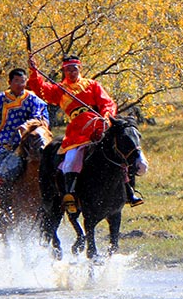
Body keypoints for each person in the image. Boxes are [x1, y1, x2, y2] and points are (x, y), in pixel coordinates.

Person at [26, 53, 144, 212]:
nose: (71, 72)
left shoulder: (93, 85)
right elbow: (41, 89)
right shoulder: (60, 90)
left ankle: (129, 191)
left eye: (74, 69)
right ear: (64, 71)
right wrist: (34, 72)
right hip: (76, 132)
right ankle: (70, 195)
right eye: (67, 70)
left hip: (98, 126)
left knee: (119, 154)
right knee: (72, 160)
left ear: (79, 68)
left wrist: (106, 117)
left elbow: (107, 103)